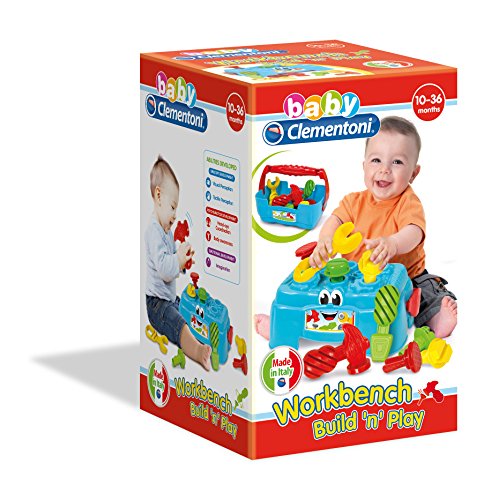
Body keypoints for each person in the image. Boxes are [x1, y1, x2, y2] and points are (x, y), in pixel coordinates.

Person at [309, 116, 457, 338]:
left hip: (407, 277)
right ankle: (286, 320)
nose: (385, 169)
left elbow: (414, 231)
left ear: (413, 173)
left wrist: (393, 243)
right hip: (356, 280)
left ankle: (436, 319)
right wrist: (325, 240)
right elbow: (335, 221)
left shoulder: (408, 201)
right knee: (322, 288)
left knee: (426, 293)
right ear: (364, 166)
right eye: (376, 160)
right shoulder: (353, 201)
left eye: (397, 162)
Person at [145, 156, 211, 369]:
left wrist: (183, 261)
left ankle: (203, 338)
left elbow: (173, 263)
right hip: (156, 305)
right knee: (177, 322)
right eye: (172, 207)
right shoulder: (153, 232)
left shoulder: (166, 231)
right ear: (158, 196)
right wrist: (177, 260)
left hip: (169, 298)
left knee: (186, 309)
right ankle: (198, 352)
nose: (175, 215)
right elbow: (165, 270)